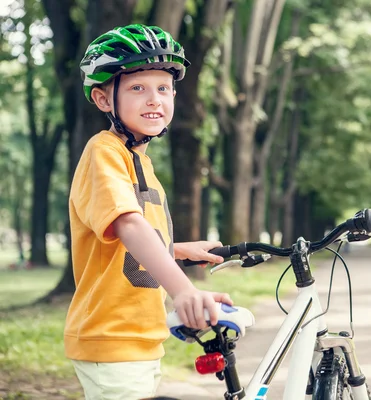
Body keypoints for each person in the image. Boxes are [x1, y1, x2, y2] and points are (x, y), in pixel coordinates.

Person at [64, 24, 232, 399]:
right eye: (138, 88)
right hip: (111, 335)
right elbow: (127, 224)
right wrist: (183, 290)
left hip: (141, 336)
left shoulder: (140, 161)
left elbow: (128, 241)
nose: (154, 99)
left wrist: (179, 249)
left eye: (164, 88)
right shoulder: (103, 152)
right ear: (104, 100)